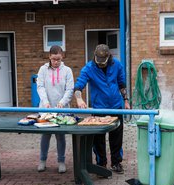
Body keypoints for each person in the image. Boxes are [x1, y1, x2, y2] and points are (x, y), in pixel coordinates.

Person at [74, 44, 130, 174]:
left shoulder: (117, 65)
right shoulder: (88, 68)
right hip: (99, 109)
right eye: (98, 62)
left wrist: (126, 100)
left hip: (116, 107)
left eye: (103, 63)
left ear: (109, 57)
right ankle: (101, 164)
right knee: (98, 139)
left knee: (116, 138)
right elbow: (78, 86)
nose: (100, 65)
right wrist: (79, 98)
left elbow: (121, 83)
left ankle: (116, 162)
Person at [36, 45, 74, 173]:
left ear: (62, 56)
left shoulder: (67, 70)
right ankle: (42, 160)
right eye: (53, 59)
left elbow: (69, 89)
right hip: (46, 109)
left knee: (60, 136)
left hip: (61, 109)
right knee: (45, 135)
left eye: (58, 59)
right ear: (49, 57)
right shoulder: (42, 70)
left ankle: (61, 161)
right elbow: (40, 86)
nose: (56, 62)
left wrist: (62, 103)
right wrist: (45, 102)